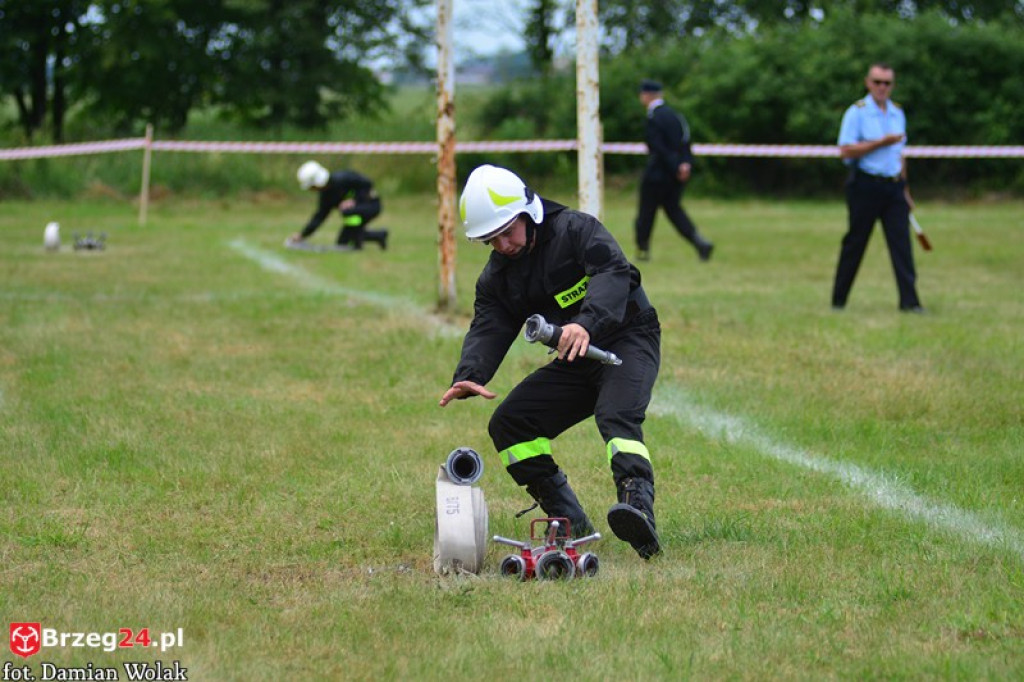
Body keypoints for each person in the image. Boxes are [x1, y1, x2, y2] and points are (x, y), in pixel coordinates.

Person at [438, 164, 663, 560]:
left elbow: (614, 271)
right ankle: (569, 524)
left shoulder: (576, 230)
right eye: (492, 239)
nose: (503, 245)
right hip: (574, 357)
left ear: (529, 213)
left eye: (508, 232)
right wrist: (470, 374)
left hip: (628, 337)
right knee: (510, 424)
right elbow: (489, 324)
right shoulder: (497, 279)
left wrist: (586, 324)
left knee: (617, 417)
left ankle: (637, 509)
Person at [832, 63, 924, 313]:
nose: (882, 87)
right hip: (865, 186)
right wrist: (880, 142)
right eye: (877, 82)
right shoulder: (857, 112)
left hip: (893, 188)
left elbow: (899, 155)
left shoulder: (897, 113)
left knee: (902, 246)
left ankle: (910, 303)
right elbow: (846, 151)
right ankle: (838, 301)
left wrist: (905, 189)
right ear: (868, 83)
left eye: (887, 83)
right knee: (855, 243)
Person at [634, 79, 714, 263]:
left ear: (647, 95)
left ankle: (642, 249)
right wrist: (684, 165)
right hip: (675, 174)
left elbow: (658, 147)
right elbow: (685, 142)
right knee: (674, 210)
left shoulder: (654, 117)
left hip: (658, 173)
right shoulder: (676, 116)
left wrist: (674, 164)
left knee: (646, 211)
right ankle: (699, 242)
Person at [289, 161, 388, 250]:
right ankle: (379, 236)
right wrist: (303, 235)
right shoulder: (326, 195)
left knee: (347, 211)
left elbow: (368, 184)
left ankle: (357, 243)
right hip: (355, 212)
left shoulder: (343, 178)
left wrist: (354, 200)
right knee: (342, 243)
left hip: (371, 206)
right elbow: (320, 216)